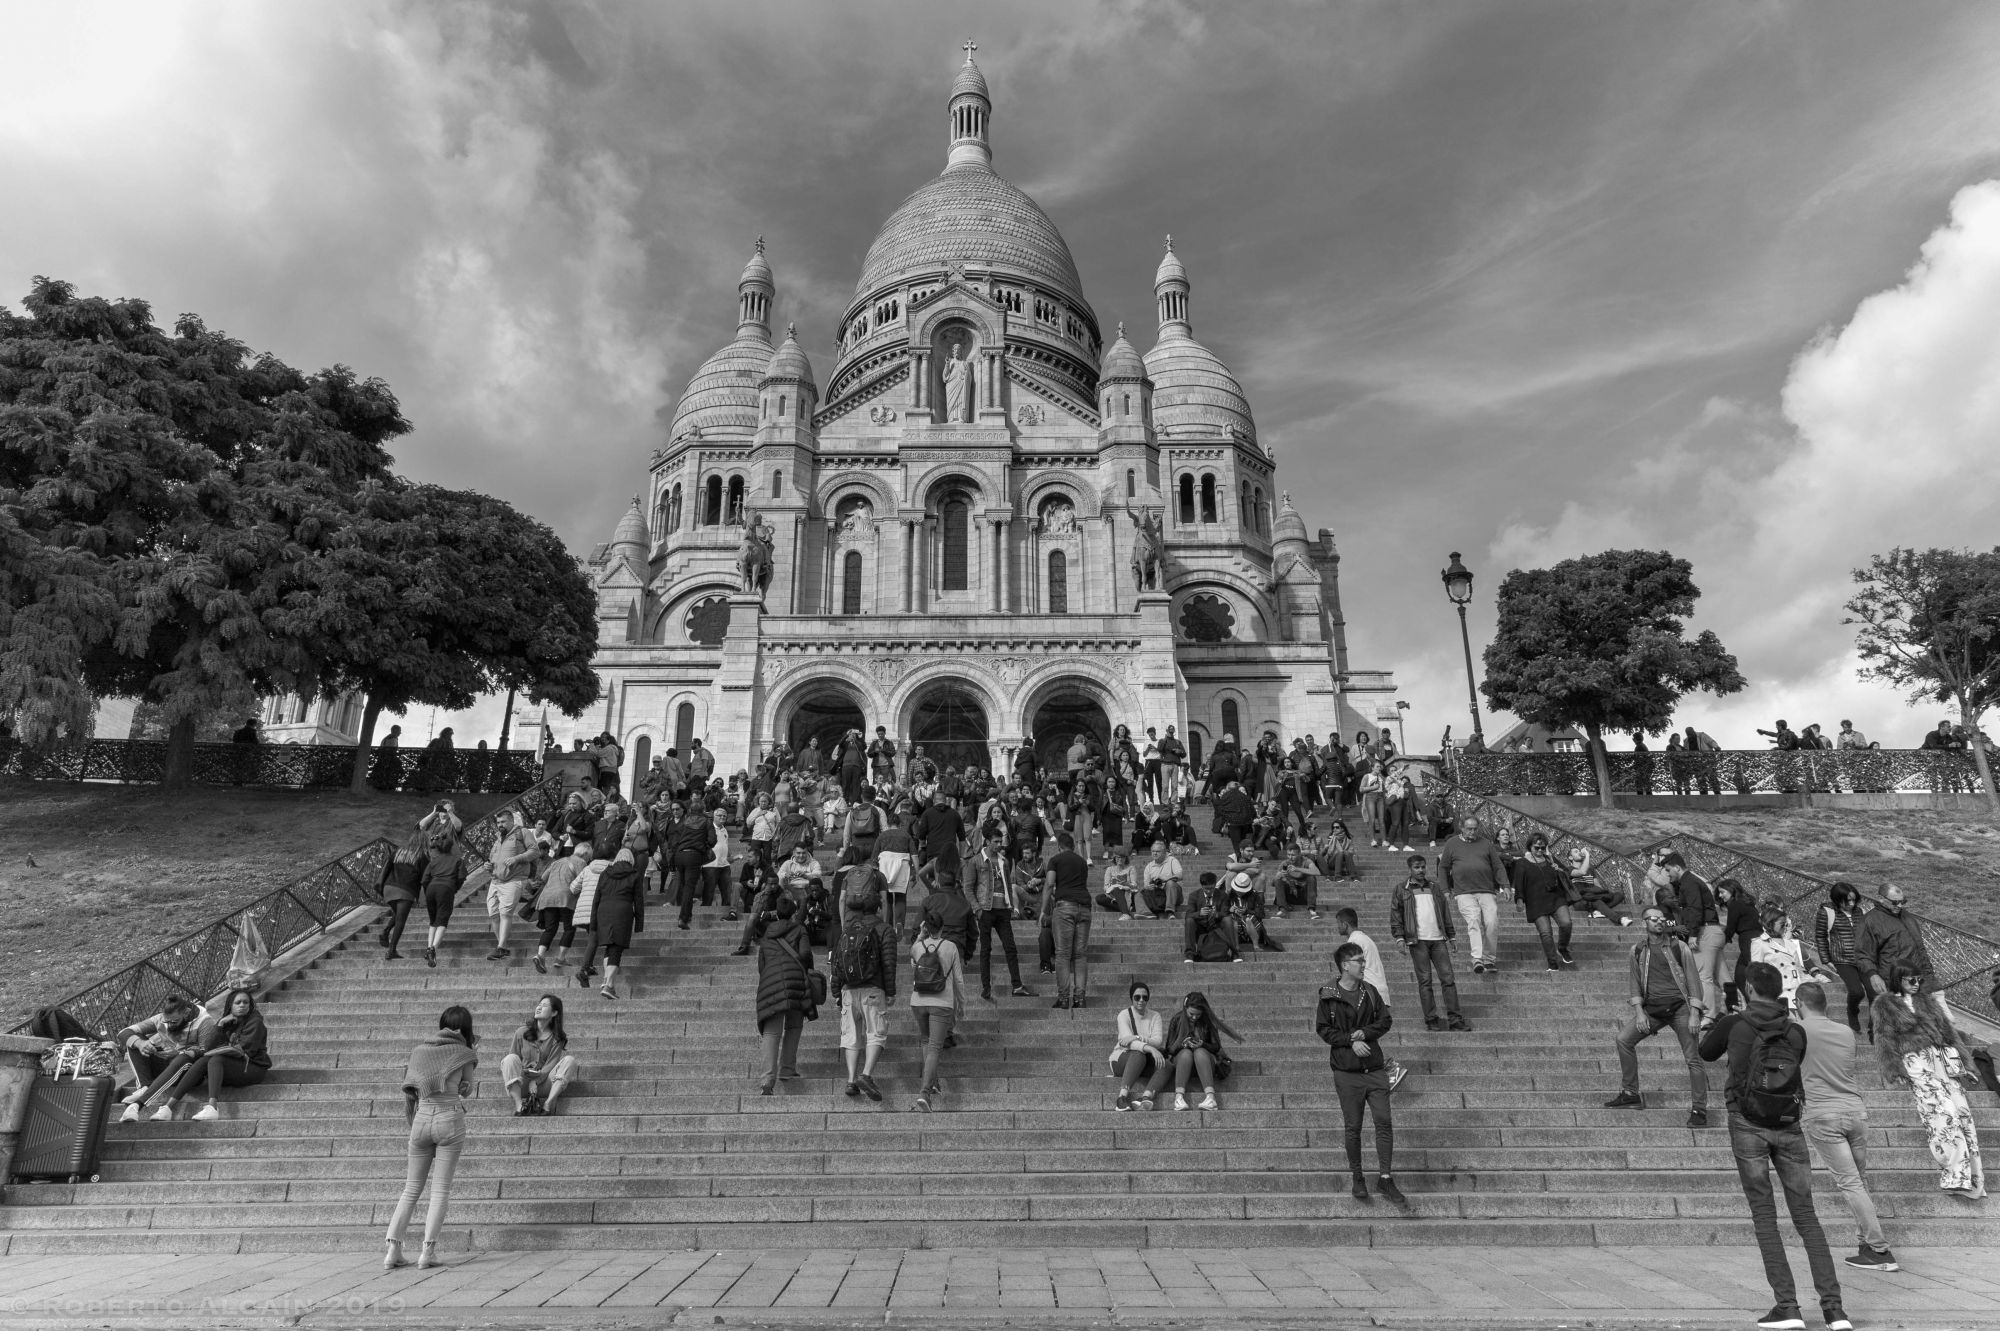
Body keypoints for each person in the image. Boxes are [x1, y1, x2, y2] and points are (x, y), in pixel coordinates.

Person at [1698, 963, 1848, 1331]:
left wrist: (1722, 1021)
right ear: (1780, 990)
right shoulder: (1796, 1031)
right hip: (1788, 1122)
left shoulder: (1734, 1025)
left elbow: (1705, 1052)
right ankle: (1835, 1312)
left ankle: (1787, 1307)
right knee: (1807, 1216)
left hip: (1747, 1122)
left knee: (1764, 1216)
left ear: (1749, 988)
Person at [1795, 979, 1898, 1272]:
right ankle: (1866, 1244)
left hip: (1823, 1114)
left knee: (1850, 1184)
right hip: (1855, 1112)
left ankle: (1879, 1250)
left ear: (1799, 1004)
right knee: (1858, 1182)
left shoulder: (1797, 1030)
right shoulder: (1845, 1032)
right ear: (1826, 1004)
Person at [1872, 966, 1986, 1199]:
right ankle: (1954, 1176)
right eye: (1911, 980)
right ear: (1898, 979)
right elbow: (1883, 1037)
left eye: (1919, 979)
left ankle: (1973, 1182)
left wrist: (1966, 1064)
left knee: (1964, 1115)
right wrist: (1893, 1068)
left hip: (1942, 1061)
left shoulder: (1928, 1000)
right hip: (1915, 1062)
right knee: (1944, 1115)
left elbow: (1949, 1034)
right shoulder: (1884, 1004)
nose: (1916, 984)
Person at [383, 1004, 477, 1271]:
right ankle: (427, 1252)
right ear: (466, 1028)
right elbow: (466, 1089)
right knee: (440, 1189)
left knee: (411, 1188)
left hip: (421, 1119)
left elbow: (412, 1087)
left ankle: (393, 1250)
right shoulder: (464, 1053)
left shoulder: (419, 1051)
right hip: (449, 1119)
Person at [1605, 905, 1710, 1127]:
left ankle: (1699, 1109)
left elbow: (1694, 980)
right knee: (1623, 1039)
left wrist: (1694, 1012)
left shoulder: (1679, 947)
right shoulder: (1637, 950)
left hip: (1680, 1008)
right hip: (1653, 1009)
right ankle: (1630, 1093)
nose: (1659, 922)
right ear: (1644, 922)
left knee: (1692, 1058)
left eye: (1662, 919)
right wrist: (1639, 1012)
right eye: (1653, 919)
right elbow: (1634, 983)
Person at [1317, 941, 1401, 1203]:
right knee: (1353, 1126)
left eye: (1363, 960)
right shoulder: (1328, 994)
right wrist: (1350, 1041)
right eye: (1359, 961)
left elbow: (1385, 1021)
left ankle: (1385, 1177)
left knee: (1384, 1120)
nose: (1364, 965)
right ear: (1345, 965)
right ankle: (1358, 1177)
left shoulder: (1370, 991)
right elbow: (1323, 1029)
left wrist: (1365, 1033)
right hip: (1346, 1071)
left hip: (1374, 1068)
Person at [149, 988, 270, 1122]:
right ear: (230, 1005)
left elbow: (246, 1050)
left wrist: (223, 1049)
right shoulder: (227, 1021)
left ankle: (212, 1107)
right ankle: (167, 1108)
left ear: (250, 1005)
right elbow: (209, 1047)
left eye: (246, 1002)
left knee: (216, 1059)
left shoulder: (255, 1022)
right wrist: (220, 1025)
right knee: (203, 1061)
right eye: (238, 1002)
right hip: (234, 1067)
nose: (242, 1005)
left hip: (253, 1067)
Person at [831, 876, 897, 1101]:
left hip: (848, 990)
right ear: (878, 908)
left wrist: (836, 992)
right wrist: (891, 991)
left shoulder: (848, 928)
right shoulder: (885, 929)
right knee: (876, 1033)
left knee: (851, 1036)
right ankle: (866, 1075)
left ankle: (851, 1080)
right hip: (873, 989)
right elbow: (888, 963)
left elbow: (837, 962)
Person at [1388, 854, 1469, 1032]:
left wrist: (1452, 936)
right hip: (1418, 941)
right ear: (1410, 869)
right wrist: (1399, 938)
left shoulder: (1434, 887)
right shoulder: (1401, 889)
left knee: (1448, 979)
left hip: (1438, 939)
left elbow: (1445, 912)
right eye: (1416, 867)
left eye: (1423, 867)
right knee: (1425, 981)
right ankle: (1431, 1020)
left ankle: (1455, 1019)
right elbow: (1396, 914)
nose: (1421, 870)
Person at [1334, 907, 1405, 1090]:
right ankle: (1384, 1072)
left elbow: (1351, 972)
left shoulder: (1354, 942)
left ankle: (1390, 1070)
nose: (1338, 927)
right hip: (1378, 990)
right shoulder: (1364, 938)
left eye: (1338, 924)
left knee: (1362, 1034)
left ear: (1345, 924)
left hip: (1370, 993)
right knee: (1367, 1035)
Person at [113, 997, 213, 1123]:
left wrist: (178, 1053)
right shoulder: (160, 1018)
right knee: (134, 1040)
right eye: (167, 1021)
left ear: (186, 1013)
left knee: (183, 1058)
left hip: (189, 1070)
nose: (169, 1025)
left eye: (174, 1022)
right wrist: (140, 1043)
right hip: (166, 1064)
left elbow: (206, 1051)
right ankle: (145, 1086)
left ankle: (138, 1104)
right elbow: (123, 1032)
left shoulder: (205, 1021)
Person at [754, 896, 815, 1096]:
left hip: (771, 982)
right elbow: (805, 955)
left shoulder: (767, 935)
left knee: (772, 1033)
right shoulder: (799, 929)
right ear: (794, 913)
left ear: (777, 913)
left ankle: (766, 1080)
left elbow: (761, 965)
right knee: (794, 1026)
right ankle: (787, 1069)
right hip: (795, 981)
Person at [965, 827, 1035, 1000]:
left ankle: (1017, 986)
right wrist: (977, 909)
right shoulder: (976, 861)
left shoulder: (1004, 860)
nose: (999, 845)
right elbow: (968, 888)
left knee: (1010, 948)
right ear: (988, 841)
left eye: (1000, 841)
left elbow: (1008, 885)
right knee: (985, 949)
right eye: (995, 842)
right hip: (985, 909)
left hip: (1002, 909)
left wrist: (1010, 906)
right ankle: (986, 987)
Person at [1653, 852, 1724, 1020]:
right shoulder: (1692, 881)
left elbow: (1695, 908)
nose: (1667, 874)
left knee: (1703, 976)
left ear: (1677, 868)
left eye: (1668, 870)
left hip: (1705, 930)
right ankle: (1736, 1007)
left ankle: (1708, 1015)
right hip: (1713, 930)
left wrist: (1693, 934)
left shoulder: (1689, 883)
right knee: (1722, 977)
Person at [909, 912, 965, 1112]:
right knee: (934, 1047)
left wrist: (920, 935)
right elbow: (958, 980)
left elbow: (913, 964)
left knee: (926, 1042)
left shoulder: (917, 947)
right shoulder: (950, 947)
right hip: (941, 1002)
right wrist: (961, 1004)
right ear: (942, 927)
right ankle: (924, 1092)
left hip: (918, 1002)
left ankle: (932, 1083)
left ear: (926, 928)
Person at [1437, 816, 1508, 974]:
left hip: (1487, 890)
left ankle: (1489, 959)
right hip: (1464, 892)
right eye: (1469, 829)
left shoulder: (1486, 843)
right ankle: (1477, 958)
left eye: (1475, 829)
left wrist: (1506, 885)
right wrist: (1445, 889)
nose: (1472, 832)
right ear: (1462, 828)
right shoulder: (1452, 843)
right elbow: (1443, 867)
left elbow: (1498, 865)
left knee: (1492, 923)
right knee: (1474, 920)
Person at [575, 847, 643, 1000]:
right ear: (631, 860)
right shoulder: (634, 874)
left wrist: (594, 922)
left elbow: (596, 898)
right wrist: (639, 923)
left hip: (603, 911)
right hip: (622, 911)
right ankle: (609, 985)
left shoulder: (605, 873)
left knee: (609, 947)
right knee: (616, 949)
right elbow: (638, 900)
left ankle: (606, 981)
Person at [1164, 990, 1242, 1111]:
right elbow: (1169, 1049)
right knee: (1186, 1053)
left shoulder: (1207, 1020)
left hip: (1204, 1063)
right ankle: (1179, 1098)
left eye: (1198, 1014)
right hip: (1183, 1063)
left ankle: (1210, 1098)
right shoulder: (1177, 1019)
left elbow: (1216, 1047)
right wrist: (1184, 1045)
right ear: (1185, 1008)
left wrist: (1202, 1044)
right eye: (1191, 1014)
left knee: (1199, 1051)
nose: (1194, 1017)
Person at [1852, 884, 1932, 998]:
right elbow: (1862, 954)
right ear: (1881, 898)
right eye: (1895, 902)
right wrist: (1873, 975)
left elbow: (1920, 948)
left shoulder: (1907, 917)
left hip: (1916, 981)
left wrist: (1929, 975)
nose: (1900, 905)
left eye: (1903, 901)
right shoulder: (1869, 921)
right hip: (1892, 983)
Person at [502, 994, 577, 1116]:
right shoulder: (521, 1032)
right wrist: (528, 1076)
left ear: (554, 1013)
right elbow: (513, 1062)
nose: (539, 1007)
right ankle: (519, 1105)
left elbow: (550, 1065)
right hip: (521, 1085)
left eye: (544, 1005)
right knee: (510, 1059)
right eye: (539, 1005)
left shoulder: (557, 1038)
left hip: (544, 1085)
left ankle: (548, 1104)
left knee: (570, 1060)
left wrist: (536, 1081)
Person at [1044, 831, 1094, 1009]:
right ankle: (1080, 999)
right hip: (1085, 907)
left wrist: (1043, 910)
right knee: (1080, 955)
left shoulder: (1055, 860)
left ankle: (1064, 998)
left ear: (1059, 846)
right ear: (1073, 846)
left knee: (1063, 954)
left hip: (1065, 906)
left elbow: (1050, 884)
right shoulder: (1082, 861)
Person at [1511, 832, 1573, 971]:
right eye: (1537, 847)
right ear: (1530, 846)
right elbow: (1519, 883)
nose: (1540, 850)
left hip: (1556, 897)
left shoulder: (1550, 859)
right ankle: (1553, 963)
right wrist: (1519, 900)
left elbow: (1567, 873)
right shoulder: (1522, 863)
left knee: (1566, 923)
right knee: (1546, 933)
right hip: (1535, 901)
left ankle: (1562, 947)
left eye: (1543, 848)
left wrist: (1558, 869)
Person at [1813, 883, 1870, 1034]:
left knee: (1873, 992)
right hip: (1842, 959)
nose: (1851, 903)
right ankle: (1852, 1011)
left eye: (1854, 900)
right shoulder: (1827, 912)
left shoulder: (1859, 912)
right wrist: (1826, 960)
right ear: (1837, 899)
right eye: (1847, 900)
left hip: (1862, 958)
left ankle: (1874, 1027)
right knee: (1857, 991)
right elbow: (1820, 936)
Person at [532, 841, 592, 974]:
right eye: (589, 856)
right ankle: (560, 958)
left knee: (550, 928)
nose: (589, 859)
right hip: (566, 897)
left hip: (547, 897)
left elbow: (543, 877)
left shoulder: (557, 861)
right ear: (585, 854)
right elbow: (583, 881)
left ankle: (540, 955)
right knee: (569, 928)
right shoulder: (581, 862)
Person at [1110, 981, 1171, 1111]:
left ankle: (1145, 1097)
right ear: (1131, 998)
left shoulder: (1155, 1016)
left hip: (1144, 1060)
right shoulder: (1124, 1015)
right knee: (1138, 1053)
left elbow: (1157, 1041)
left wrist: (1137, 1037)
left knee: (1167, 1064)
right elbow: (1128, 1042)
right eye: (1137, 997)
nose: (1141, 1000)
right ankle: (1121, 1098)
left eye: (1145, 997)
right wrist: (1150, 1048)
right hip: (1121, 1058)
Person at [486, 813, 538, 961]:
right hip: (495, 880)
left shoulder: (523, 832)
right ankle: (502, 947)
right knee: (493, 914)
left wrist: (517, 858)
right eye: (498, 822)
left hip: (514, 879)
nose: (500, 825)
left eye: (503, 822)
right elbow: (493, 858)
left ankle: (501, 947)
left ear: (511, 821)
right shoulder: (498, 838)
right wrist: (488, 866)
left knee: (505, 913)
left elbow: (535, 851)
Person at [417, 824, 468, 968]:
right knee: (442, 921)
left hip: (431, 889)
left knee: (433, 921)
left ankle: (429, 947)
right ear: (452, 847)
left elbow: (424, 879)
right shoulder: (457, 860)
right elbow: (461, 877)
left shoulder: (434, 861)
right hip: (446, 888)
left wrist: (428, 890)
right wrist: (454, 888)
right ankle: (433, 949)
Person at [375, 831, 428, 961]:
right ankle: (391, 950)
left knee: (398, 914)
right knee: (400, 920)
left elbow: (387, 868)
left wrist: (381, 887)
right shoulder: (422, 857)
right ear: (424, 842)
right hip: (405, 891)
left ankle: (385, 932)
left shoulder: (398, 852)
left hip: (389, 889)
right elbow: (425, 878)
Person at [1751, 905, 1808, 1011]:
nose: (1786, 927)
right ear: (1770, 924)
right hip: (1778, 996)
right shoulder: (1760, 943)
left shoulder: (1790, 944)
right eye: (1782, 924)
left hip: (1798, 996)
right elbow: (1756, 973)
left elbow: (1799, 972)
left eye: (1786, 924)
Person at [1716, 877, 1760, 1012]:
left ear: (1731, 890)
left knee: (1750, 976)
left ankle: (1755, 1008)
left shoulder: (1735, 904)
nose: (1720, 896)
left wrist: (1721, 943)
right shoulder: (1747, 903)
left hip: (1749, 941)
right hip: (1753, 939)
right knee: (1740, 975)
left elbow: (1730, 927)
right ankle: (1750, 1007)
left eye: (1722, 892)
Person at [1140, 839, 1184, 918]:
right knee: (1139, 893)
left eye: (1158, 851)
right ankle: (1147, 913)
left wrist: (1166, 879)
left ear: (1164, 852)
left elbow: (1180, 875)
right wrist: (1149, 887)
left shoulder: (1172, 860)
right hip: (1158, 895)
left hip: (1174, 894)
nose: (1155, 853)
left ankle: (1170, 911)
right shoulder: (1149, 866)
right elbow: (1146, 885)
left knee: (1170, 883)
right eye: (1153, 851)